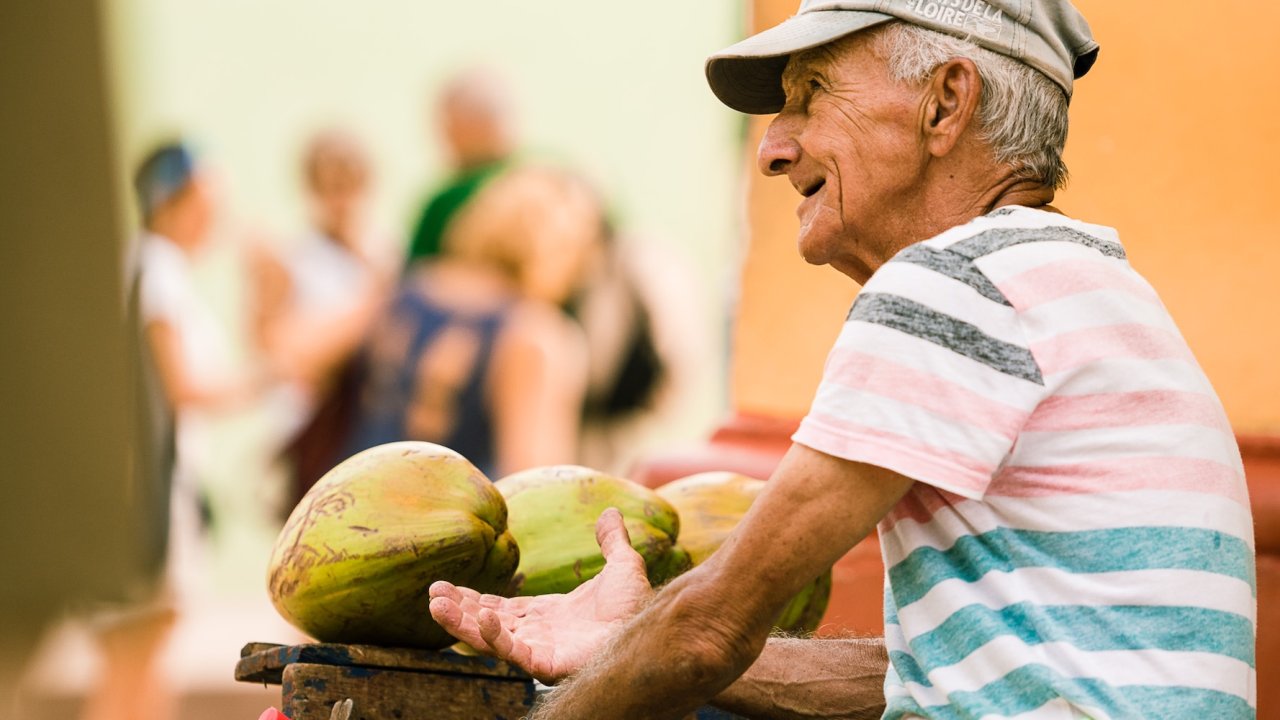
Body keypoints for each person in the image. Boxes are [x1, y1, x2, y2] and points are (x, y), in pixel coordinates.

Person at [428, 2, 1257, 718]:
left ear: (946, 104)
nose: (773, 150)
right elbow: (909, 675)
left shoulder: (954, 285)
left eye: (811, 96)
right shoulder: (1090, 286)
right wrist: (625, 640)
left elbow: (709, 634)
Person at [345, 166, 600, 478]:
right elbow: (536, 480)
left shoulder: (410, 289)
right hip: (447, 519)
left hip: (355, 501)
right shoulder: (535, 334)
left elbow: (298, 353)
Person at [251, 129, 393, 499]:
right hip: (313, 424)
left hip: (369, 423)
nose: (340, 201)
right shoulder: (293, 258)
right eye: (329, 188)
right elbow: (274, 348)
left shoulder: (386, 252)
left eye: (349, 187)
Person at [404, 67, 516, 266]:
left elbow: (414, 279)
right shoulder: (554, 180)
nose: (441, 134)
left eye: (447, 121)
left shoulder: (445, 205)